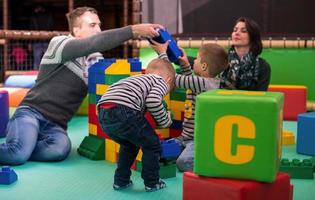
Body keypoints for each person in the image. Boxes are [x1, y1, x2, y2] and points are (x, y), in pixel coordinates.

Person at [0, 6, 164, 166]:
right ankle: (21, 146)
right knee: (17, 155)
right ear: (76, 31)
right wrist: (134, 30)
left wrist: (162, 56)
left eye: (99, 25)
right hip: (31, 113)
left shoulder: (94, 60)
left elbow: (113, 82)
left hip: (55, 126)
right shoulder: (60, 44)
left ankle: (24, 144)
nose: (98, 30)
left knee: (60, 150)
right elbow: (96, 42)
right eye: (92, 25)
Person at [97, 58, 175, 192]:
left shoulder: (137, 81)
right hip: (124, 110)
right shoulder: (161, 81)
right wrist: (165, 120)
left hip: (103, 114)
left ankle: (121, 181)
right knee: (152, 144)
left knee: (129, 145)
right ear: (168, 79)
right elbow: (154, 101)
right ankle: (152, 182)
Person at [151, 41, 228, 171]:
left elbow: (171, 77)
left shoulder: (205, 83)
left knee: (184, 162)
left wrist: (162, 54)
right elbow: (190, 82)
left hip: (197, 141)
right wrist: (185, 64)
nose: (194, 61)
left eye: (197, 58)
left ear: (204, 66)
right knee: (159, 151)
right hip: (184, 138)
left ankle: (210, 160)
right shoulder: (204, 82)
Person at [220, 16, 271, 91]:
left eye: (243, 31)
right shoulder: (221, 61)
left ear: (253, 36)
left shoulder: (263, 66)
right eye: (235, 30)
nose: (236, 33)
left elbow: (260, 99)